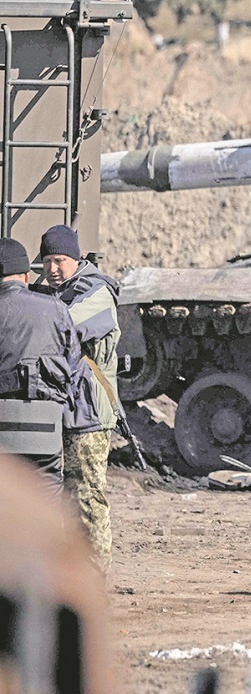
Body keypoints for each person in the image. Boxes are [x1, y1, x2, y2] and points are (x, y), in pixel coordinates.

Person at [34, 224, 121, 569]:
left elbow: (63, 329)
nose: (52, 269)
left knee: (86, 496)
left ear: (76, 258)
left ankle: (95, 576)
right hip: (61, 408)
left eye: (60, 261)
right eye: (47, 261)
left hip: (89, 413)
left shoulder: (96, 293)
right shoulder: (51, 294)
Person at [0, 237, 94, 496]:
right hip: (46, 426)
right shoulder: (55, 307)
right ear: (26, 277)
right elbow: (74, 364)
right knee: (48, 505)